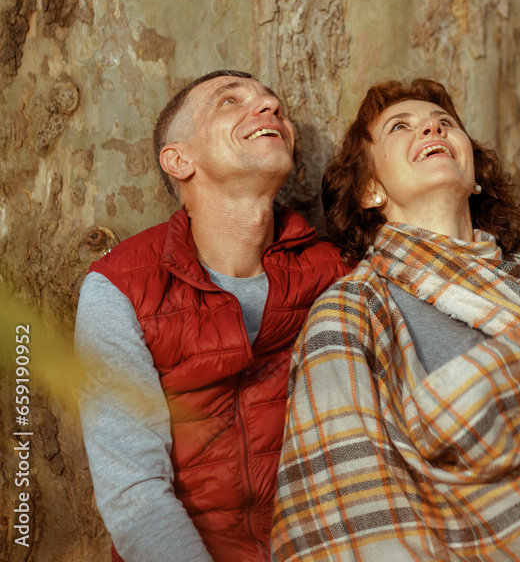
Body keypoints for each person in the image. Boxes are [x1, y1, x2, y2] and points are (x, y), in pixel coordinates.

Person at [272, 77, 520, 562]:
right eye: (402, 126)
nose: (431, 130)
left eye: (444, 124)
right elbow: (347, 494)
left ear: (475, 172)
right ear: (370, 189)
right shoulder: (350, 312)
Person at [75, 69, 349, 562]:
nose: (270, 109)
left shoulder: (335, 273)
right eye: (230, 101)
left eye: (273, 103)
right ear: (179, 160)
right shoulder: (120, 288)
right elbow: (133, 491)